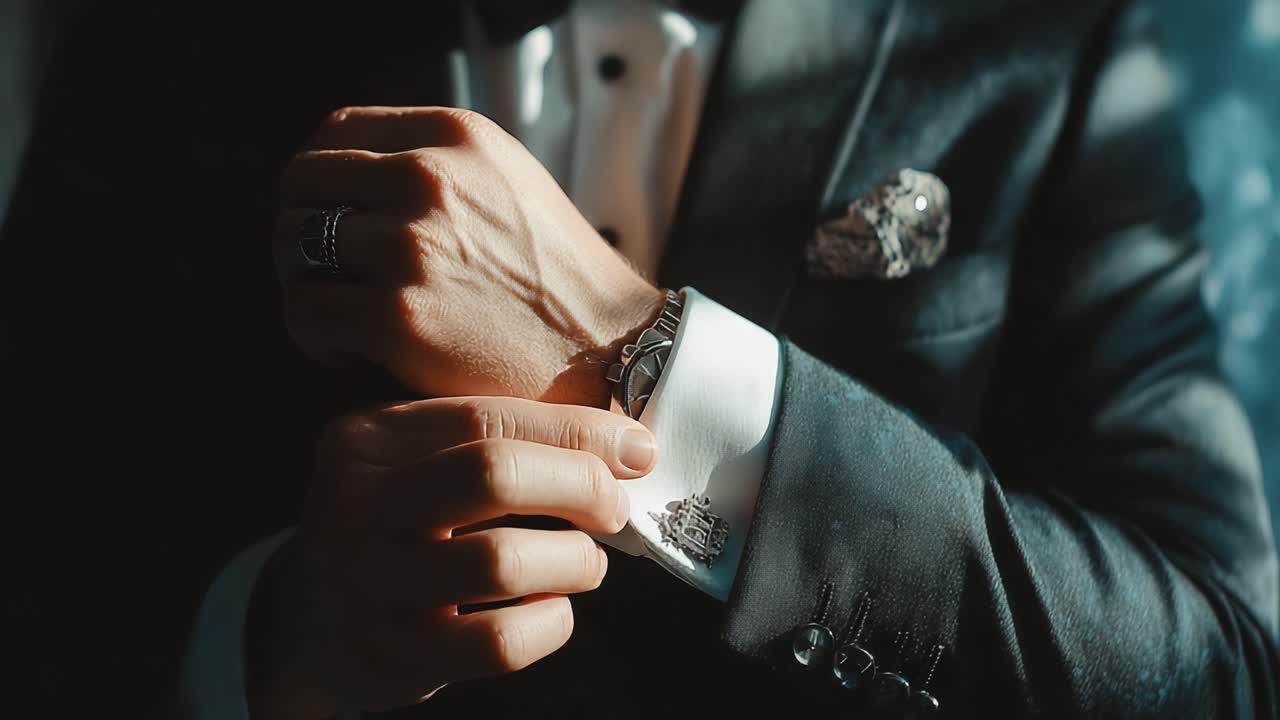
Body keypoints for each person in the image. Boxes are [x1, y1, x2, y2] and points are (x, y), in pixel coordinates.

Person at [5, 0, 1277, 717]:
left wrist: (624, 348)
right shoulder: (163, 36)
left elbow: (1215, 663)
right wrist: (259, 650)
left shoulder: (1045, 40)